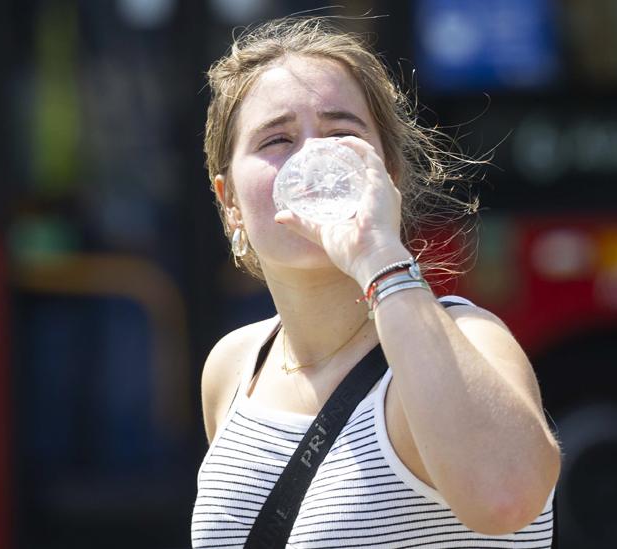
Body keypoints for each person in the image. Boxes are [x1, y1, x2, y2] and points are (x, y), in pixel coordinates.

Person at [192, 16, 561, 549]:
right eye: (277, 138)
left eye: (342, 133)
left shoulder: (469, 339)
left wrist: (379, 258)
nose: (314, 159)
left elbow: (506, 498)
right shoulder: (233, 366)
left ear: (387, 176)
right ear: (229, 202)